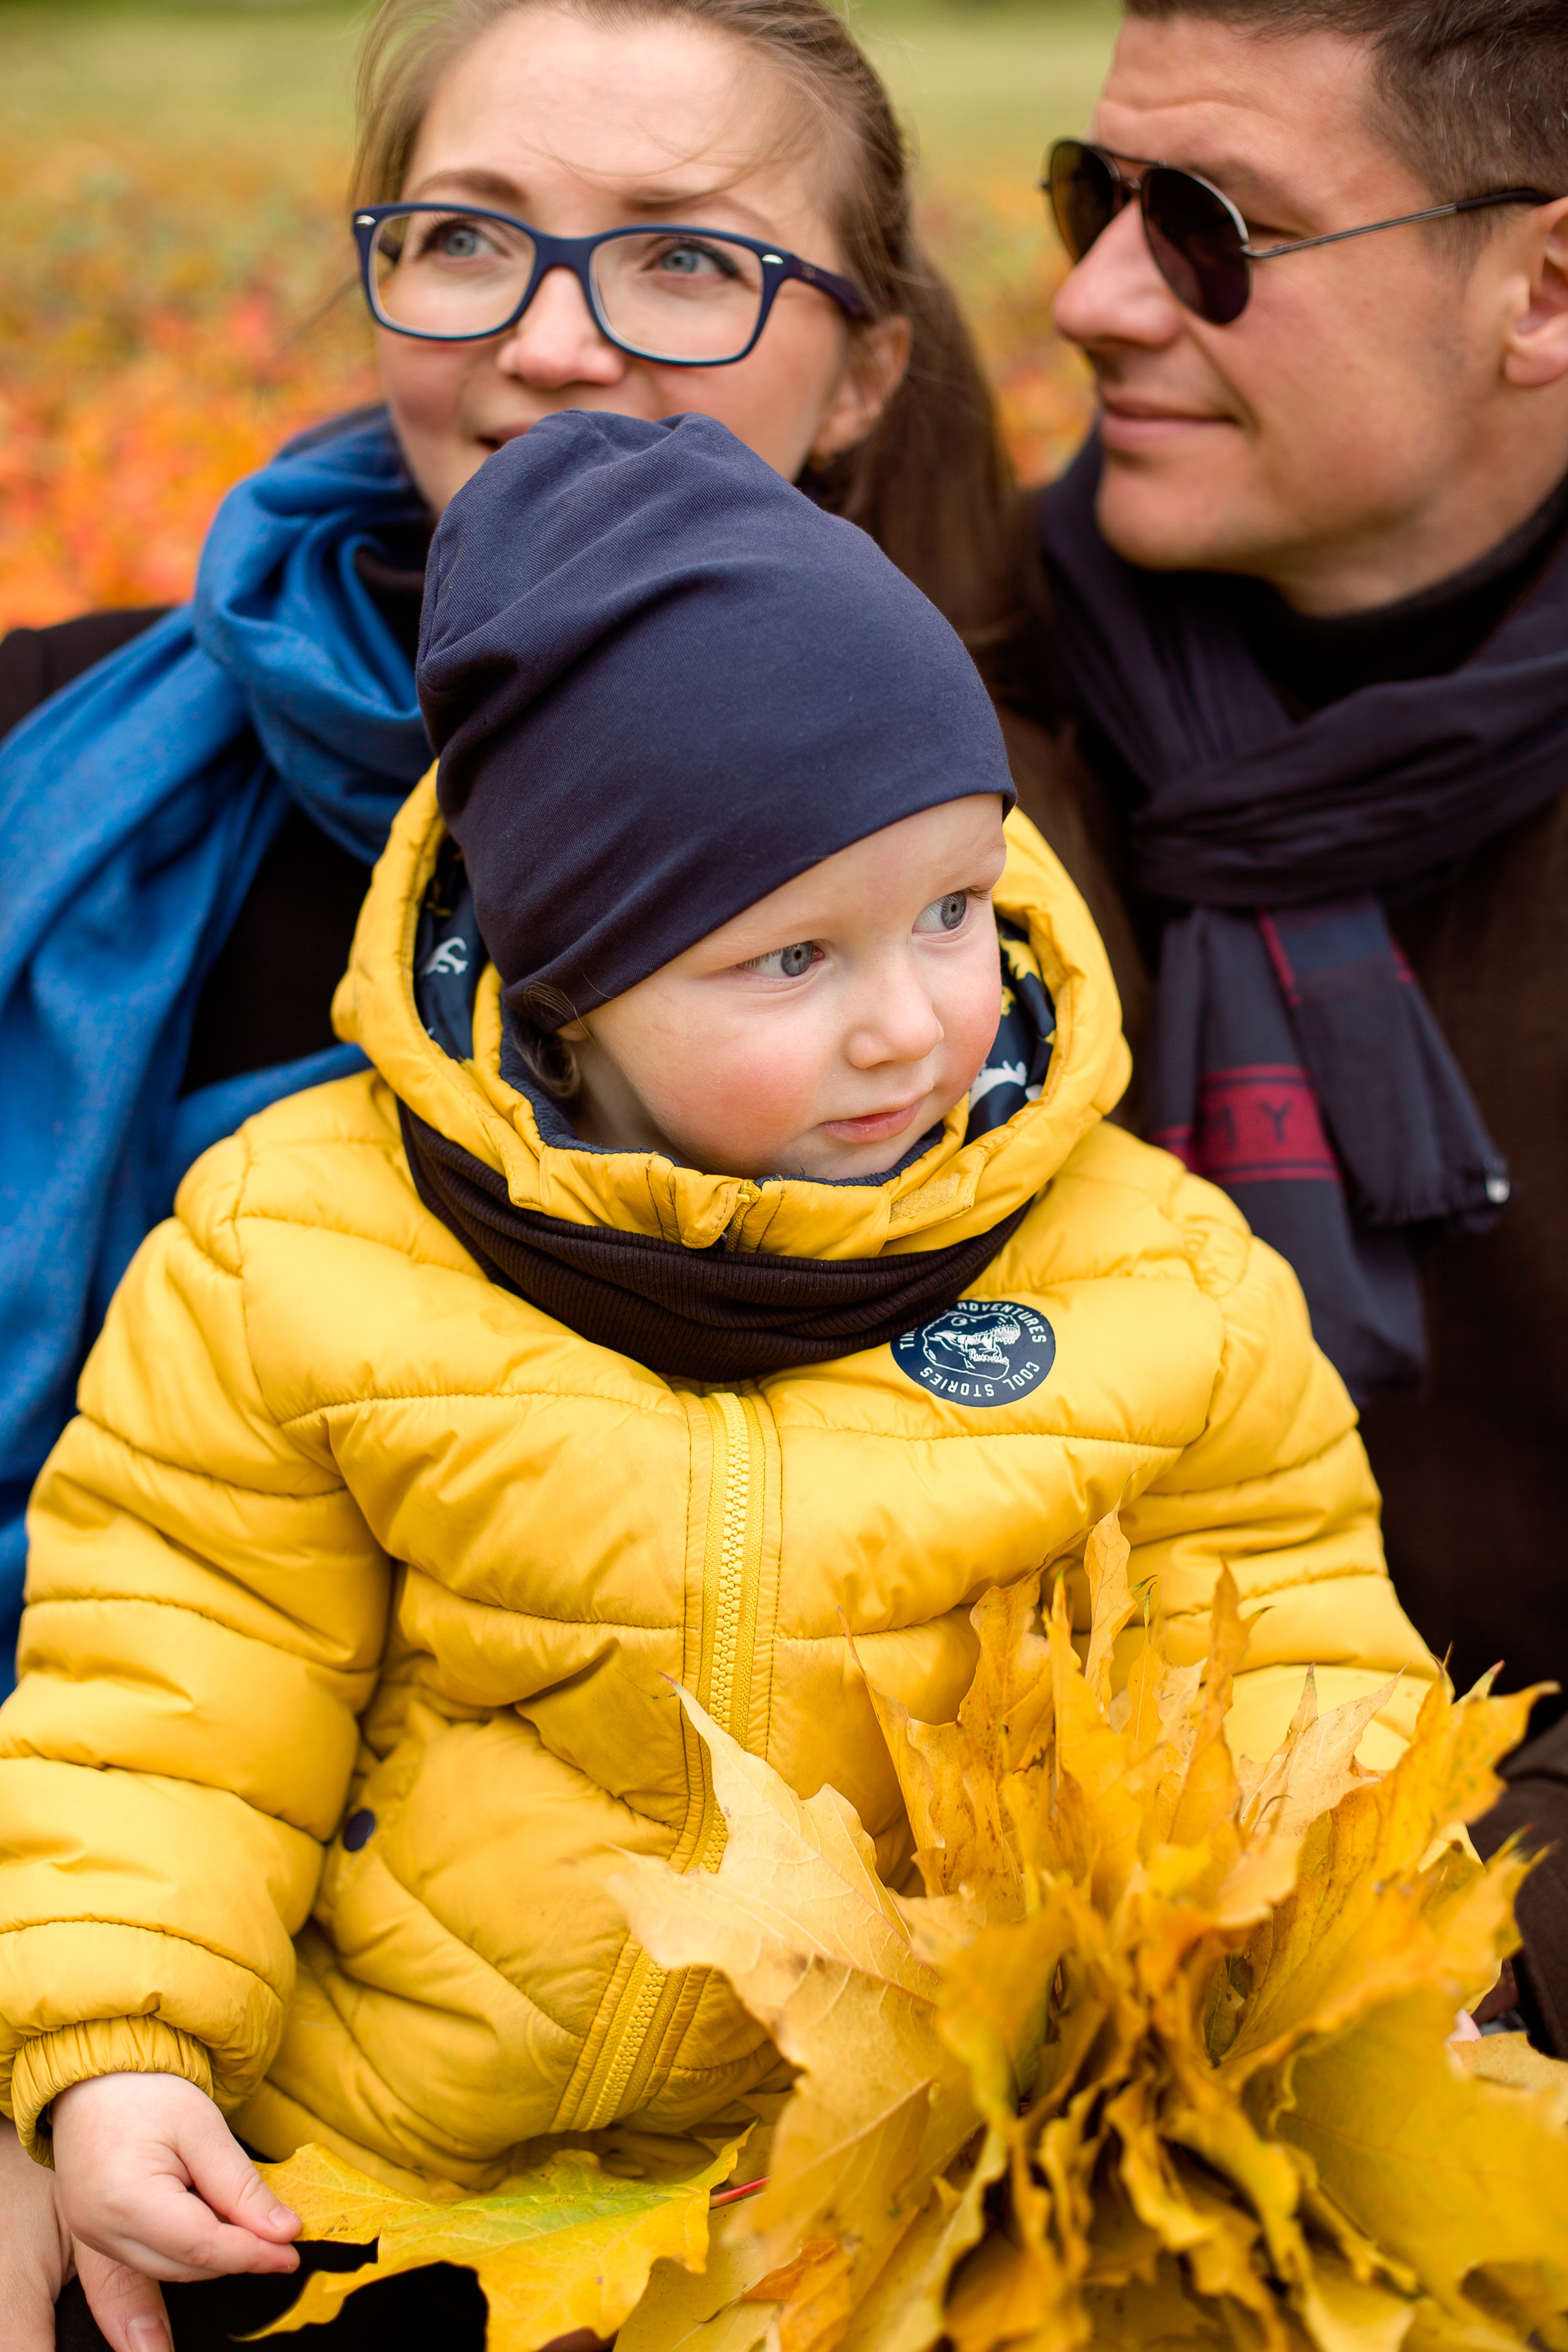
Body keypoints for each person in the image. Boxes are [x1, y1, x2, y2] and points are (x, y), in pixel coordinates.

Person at [0, 410, 1436, 2351]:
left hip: (881, 2211)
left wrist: (1348, 1999)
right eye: (789, 963)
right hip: (380, 2186)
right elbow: (173, 1697)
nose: (912, 1018)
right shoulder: (300, 1252)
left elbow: (1291, 1670)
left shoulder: (1148, 1279)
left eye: (951, 910)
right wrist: (120, 2040)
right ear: (566, 983)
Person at [0, 0, 1052, 1699]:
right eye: (468, 236)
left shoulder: (988, 882)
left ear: (866, 372)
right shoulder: (49, 749)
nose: (553, 345)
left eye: (688, 261)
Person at [995, 0, 1568, 2046]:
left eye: (1211, 227)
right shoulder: (924, 730)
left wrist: (1374, 1993)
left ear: (1544, 291)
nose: (1089, 296)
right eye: (1099, 196)